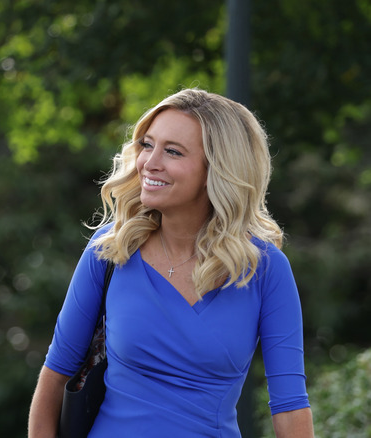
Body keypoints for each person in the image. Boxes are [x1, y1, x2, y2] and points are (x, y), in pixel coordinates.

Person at [28, 88, 313, 437]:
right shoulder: (111, 250)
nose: (150, 162)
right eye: (147, 145)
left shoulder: (265, 269)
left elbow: (290, 406)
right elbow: (54, 377)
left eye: (173, 151)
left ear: (217, 170)